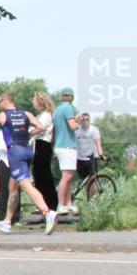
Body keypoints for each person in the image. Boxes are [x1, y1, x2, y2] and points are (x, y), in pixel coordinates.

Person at [0, 93, 57, 235]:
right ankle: (7, 222)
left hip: (15, 153)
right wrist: (28, 135)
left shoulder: (2, 116)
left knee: (25, 184)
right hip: (27, 150)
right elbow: (41, 127)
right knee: (13, 188)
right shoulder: (27, 114)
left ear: (5, 102)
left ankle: (47, 212)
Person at [52, 87, 80, 215]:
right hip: (67, 146)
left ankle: (68, 204)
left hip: (60, 145)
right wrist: (77, 120)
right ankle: (61, 204)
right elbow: (73, 126)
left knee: (69, 177)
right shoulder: (68, 108)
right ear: (72, 97)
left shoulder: (57, 110)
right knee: (67, 176)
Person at [29, 92, 58, 212]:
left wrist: (28, 133)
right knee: (39, 175)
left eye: (35, 101)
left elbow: (40, 129)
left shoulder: (45, 115)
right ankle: (43, 203)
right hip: (40, 145)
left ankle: (50, 203)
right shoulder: (42, 115)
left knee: (43, 175)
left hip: (43, 145)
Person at [76, 113, 106, 197]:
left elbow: (98, 143)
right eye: (83, 119)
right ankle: (90, 201)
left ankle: (96, 199)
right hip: (80, 158)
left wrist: (101, 154)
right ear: (80, 121)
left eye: (87, 119)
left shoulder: (94, 130)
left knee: (93, 179)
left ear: (90, 121)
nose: (85, 121)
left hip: (92, 157)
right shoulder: (77, 130)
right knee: (85, 181)